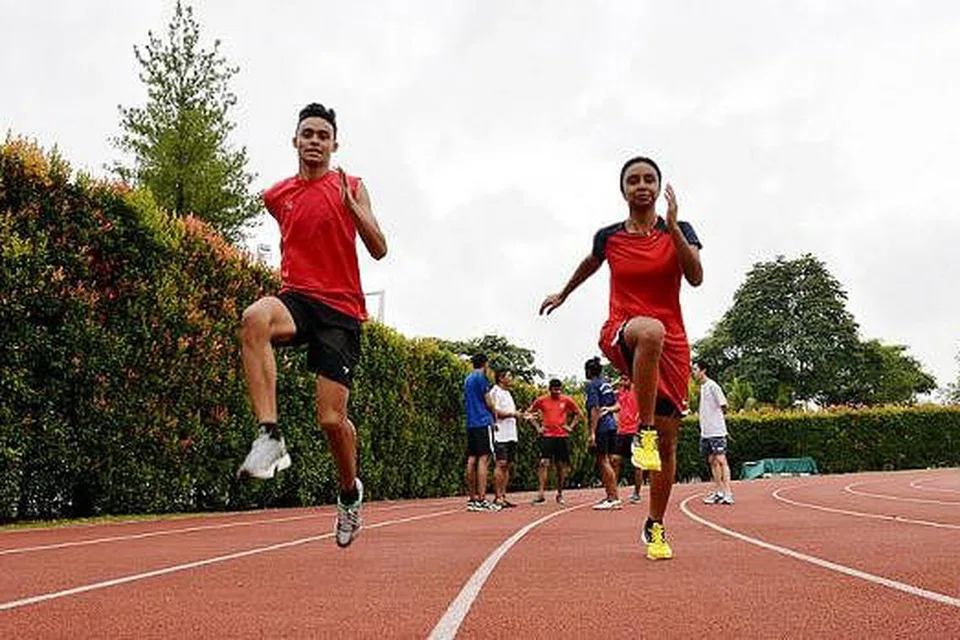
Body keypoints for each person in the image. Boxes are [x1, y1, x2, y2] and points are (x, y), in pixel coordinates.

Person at [236, 103, 388, 548]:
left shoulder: (353, 186)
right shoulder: (276, 196)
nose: (315, 141)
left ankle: (348, 491)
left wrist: (351, 207)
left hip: (340, 312)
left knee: (331, 419)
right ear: (296, 141)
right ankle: (269, 435)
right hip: (298, 299)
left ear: (334, 144)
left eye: (324, 135)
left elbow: (379, 248)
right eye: (308, 134)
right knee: (254, 318)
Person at [540, 155, 703, 560]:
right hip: (624, 329)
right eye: (634, 180)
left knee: (668, 445)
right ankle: (642, 433)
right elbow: (589, 264)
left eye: (650, 179)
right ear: (624, 190)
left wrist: (674, 225)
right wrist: (563, 292)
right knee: (649, 330)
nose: (642, 185)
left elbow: (696, 276)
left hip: (673, 348)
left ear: (659, 186)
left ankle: (656, 526)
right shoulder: (609, 237)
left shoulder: (679, 230)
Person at [526, 379, 584, 505]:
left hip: (561, 436)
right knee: (543, 462)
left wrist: (571, 427)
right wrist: (537, 427)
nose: (557, 392)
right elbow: (528, 413)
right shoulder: (541, 400)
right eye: (554, 390)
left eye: (559, 390)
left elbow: (579, 413)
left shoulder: (566, 400)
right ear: (550, 389)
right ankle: (540, 494)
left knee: (560, 466)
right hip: (547, 436)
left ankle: (560, 493)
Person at [464, 353, 500, 512]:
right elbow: (488, 400)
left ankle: (472, 499)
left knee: (472, 458)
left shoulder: (468, 379)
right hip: (483, 421)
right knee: (484, 459)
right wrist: (495, 414)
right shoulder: (481, 378)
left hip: (471, 422)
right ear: (485, 364)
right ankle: (482, 499)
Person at [693, 361, 733, 504]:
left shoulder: (713, 386)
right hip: (706, 432)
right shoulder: (702, 387)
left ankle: (728, 493)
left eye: (696, 369)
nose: (694, 372)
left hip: (716, 431)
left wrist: (719, 423)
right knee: (712, 461)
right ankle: (718, 492)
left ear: (703, 370)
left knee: (721, 460)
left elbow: (724, 405)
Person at [585, 357, 621, 510]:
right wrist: (609, 410)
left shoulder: (593, 386)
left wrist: (592, 433)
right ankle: (610, 495)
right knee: (610, 460)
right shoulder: (607, 385)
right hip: (612, 425)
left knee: (603, 460)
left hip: (602, 427)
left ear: (588, 371)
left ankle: (613, 497)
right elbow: (617, 405)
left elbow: (595, 410)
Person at [490, 369, 522, 508]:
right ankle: (497, 497)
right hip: (499, 434)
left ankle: (503, 495)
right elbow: (494, 412)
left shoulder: (508, 393)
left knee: (508, 465)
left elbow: (512, 413)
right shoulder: (495, 392)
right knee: (500, 463)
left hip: (511, 434)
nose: (511, 378)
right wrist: (512, 414)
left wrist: (522, 416)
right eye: (509, 376)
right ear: (501, 378)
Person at [610, 374, 645, 504]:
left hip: (634, 431)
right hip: (621, 431)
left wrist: (640, 419)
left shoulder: (637, 389)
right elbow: (618, 405)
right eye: (622, 379)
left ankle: (637, 493)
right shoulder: (620, 392)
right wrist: (608, 409)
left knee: (637, 463)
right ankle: (614, 492)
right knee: (615, 460)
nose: (622, 382)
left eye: (625, 379)